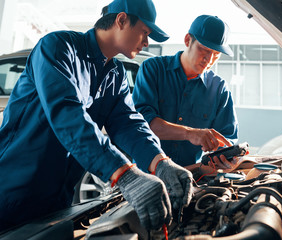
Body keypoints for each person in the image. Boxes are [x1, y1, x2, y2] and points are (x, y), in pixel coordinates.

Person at [0, 0, 193, 231]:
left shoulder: (115, 74)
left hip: (58, 201)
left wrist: (160, 162)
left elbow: (128, 123)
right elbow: (67, 114)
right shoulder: (57, 48)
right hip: (12, 191)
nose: (146, 42)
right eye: (144, 32)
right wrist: (124, 173)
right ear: (121, 20)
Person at [132, 15, 239, 171]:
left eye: (216, 54)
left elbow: (228, 139)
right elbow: (143, 124)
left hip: (194, 176)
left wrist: (226, 157)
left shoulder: (219, 88)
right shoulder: (153, 69)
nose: (209, 60)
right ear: (188, 40)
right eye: (205, 50)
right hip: (148, 176)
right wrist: (189, 133)